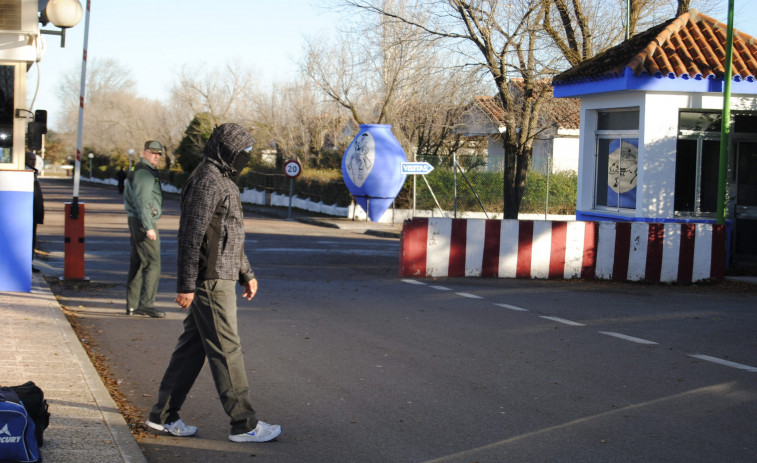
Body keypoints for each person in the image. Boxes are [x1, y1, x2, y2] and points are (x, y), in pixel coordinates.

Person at [146, 123, 281, 443]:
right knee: (226, 349)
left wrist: (246, 272)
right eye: (242, 152)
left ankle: (162, 416)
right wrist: (185, 285)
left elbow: (229, 235)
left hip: (220, 275)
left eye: (248, 153)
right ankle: (244, 424)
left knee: (192, 348)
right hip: (210, 280)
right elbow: (191, 235)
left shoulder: (222, 178)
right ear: (225, 150)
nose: (246, 158)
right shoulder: (207, 180)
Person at [124, 141, 165, 318]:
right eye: (153, 153)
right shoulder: (144, 173)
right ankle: (146, 304)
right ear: (144, 153)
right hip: (143, 221)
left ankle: (133, 305)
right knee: (153, 262)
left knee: (138, 261)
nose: (156, 156)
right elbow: (142, 201)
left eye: (159, 154)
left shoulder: (141, 170)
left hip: (138, 219)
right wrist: (149, 226)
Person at [26, 152, 44, 272]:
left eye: (34, 159)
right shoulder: (26, 173)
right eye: (31, 159)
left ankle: (29, 263)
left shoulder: (33, 172)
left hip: (33, 212)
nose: (33, 161)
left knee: (32, 239)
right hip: (28, 211)